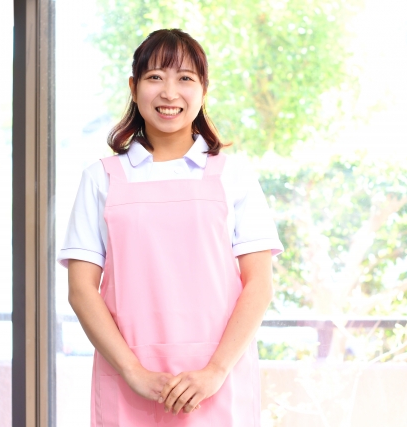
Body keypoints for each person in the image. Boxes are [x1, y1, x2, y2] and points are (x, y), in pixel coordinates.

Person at [58, 28, 283, 426]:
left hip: (217, 380)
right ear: (134, 87)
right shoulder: (100, 179)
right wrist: (133, 371)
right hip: (128, 379)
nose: (169, 92)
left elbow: (259, 285)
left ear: (203, 89)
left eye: (185, 78)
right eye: (155, 77)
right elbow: (81, 290)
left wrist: (214, 372)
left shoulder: (234, 177)